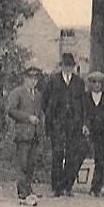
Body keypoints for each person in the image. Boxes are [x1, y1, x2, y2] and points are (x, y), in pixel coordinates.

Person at [41, 52, 88, 196]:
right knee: (57, 153)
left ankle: (68, 186)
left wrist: (83, 123)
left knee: (72, 154)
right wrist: (52, 117)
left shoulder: (79, 82)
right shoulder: (53, 80)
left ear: (73, 67)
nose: (68, 69)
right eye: (65, 66)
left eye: (70, 66)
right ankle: (56, 187)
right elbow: (45, 100)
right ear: (61, 66)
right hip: (58, 123)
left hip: (74, 124)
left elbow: (83, 104)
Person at [6, 66, 45, 205]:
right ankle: (22, 191)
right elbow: (11, 110)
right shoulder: (17, 93)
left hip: (34, 134)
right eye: (31, 78)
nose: (33, 81)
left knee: (31, 164)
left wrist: (40, 129)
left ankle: (28, 189)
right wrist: (28, 117)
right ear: (25, 78)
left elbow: (40, 113)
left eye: (36, 79)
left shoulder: (38, 95)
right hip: (23, 133)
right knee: (22, 163)